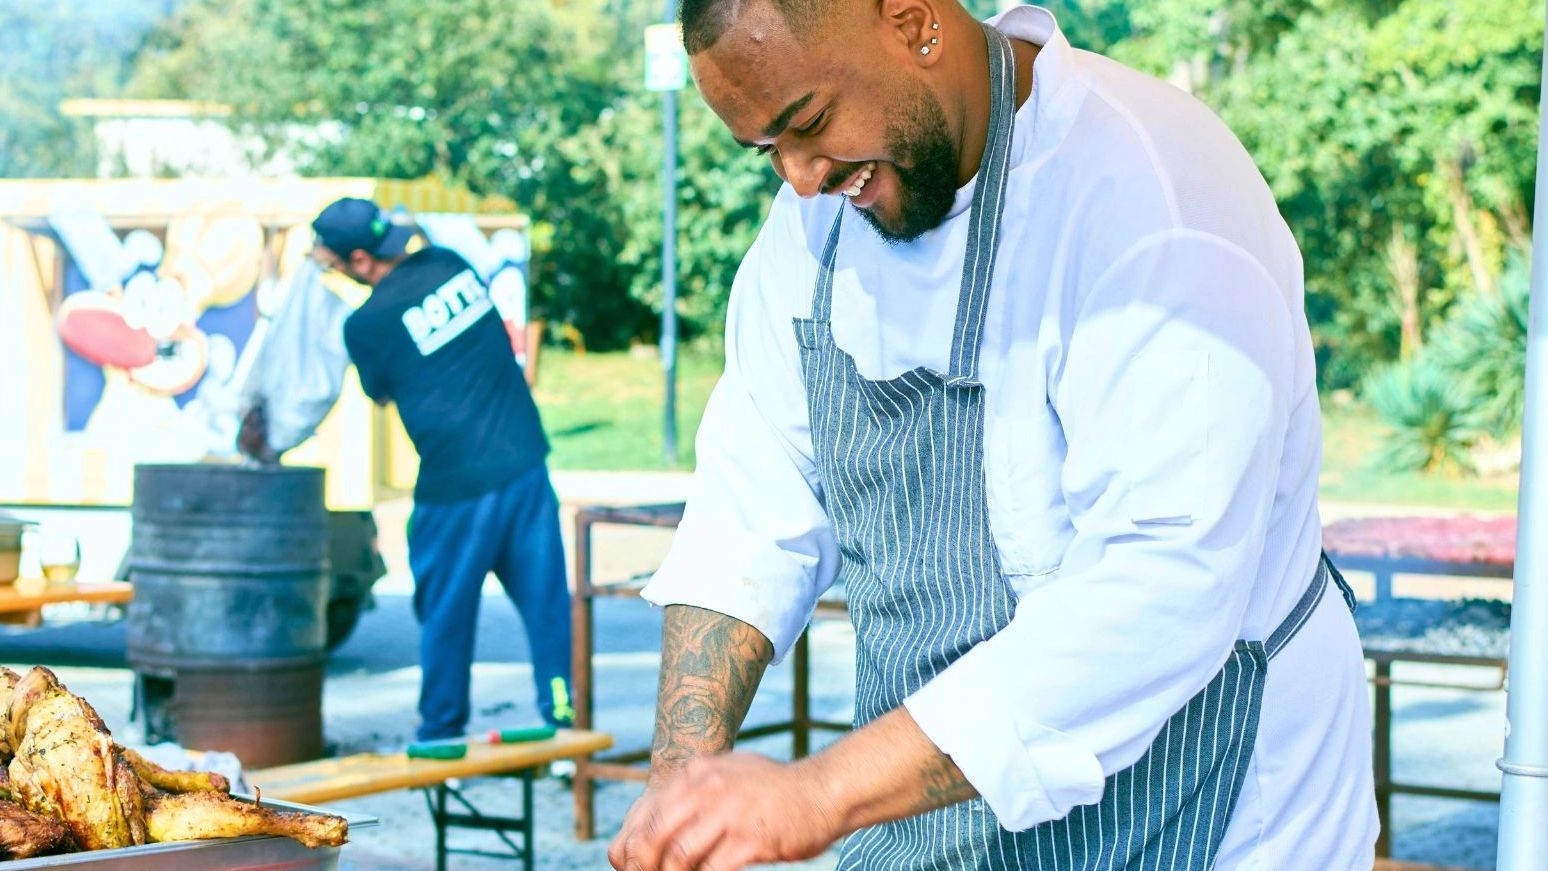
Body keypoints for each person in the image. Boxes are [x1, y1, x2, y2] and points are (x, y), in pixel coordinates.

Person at [608, 2, 1377, 869]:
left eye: (809, 123)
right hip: (940, 802)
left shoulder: (1156, 202)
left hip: (1204, 803)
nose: (798, 179)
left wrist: (822, 791)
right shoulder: (812, 228)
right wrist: (679, 786)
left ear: (913, 23)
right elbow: (749, 513)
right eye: (766, 150)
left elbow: (1160, 588)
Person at [308, 197, 574, 741]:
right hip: (524, 462)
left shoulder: (366, 325)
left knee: (445, 616)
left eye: (333, 261)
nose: (331, 269)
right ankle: (566, 724)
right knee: (547, 608)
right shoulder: (449, 263)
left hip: (455, 488)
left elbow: (381, 395)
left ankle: (441, 737)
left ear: (360, 260)